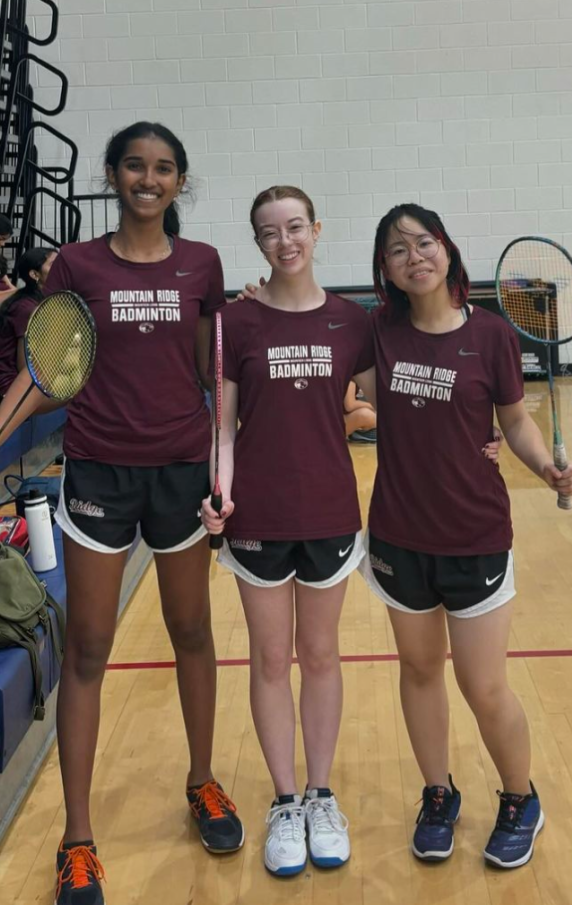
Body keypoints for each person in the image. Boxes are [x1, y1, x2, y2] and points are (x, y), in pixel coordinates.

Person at [0, 123, 244, 905]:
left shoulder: (201, 265)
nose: (148, 180)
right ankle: (76, 838)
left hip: (179, 473)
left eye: (163, 169)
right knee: (87, 645)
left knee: (192, 632)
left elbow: (212, 374)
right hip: (98, 474)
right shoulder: (76, 265)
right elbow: (49, 368)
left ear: (178, 181)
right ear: (113, 175)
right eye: (134, 167)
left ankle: (202, 781)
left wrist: (224, 468)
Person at [352, 204, 572, 871]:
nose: (412, 256)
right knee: (419, 672)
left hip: (475, 533)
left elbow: (512, 423)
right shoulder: (377, 333)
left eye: (422, 242)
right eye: (396, 249)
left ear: (446, 250)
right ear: (384, 270)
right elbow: (326, 362)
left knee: (483, 687)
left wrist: (546, 466)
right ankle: (437, 793)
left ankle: (518, 798)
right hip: (398, 536)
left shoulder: (490, 337)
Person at [201, 186, 372, 878]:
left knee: (322, 655)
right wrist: (219, 491)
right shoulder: (234, 323)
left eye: (295, 226)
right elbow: (223, 426)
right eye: (269, 232)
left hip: (330, 510)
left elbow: (386, 402)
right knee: (270, 660)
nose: (285, 241)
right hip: (260, 517)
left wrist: (477, 441)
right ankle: (283, 802)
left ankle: (320, 793)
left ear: (316, 230)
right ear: (257, 241)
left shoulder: (353, 323)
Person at [0, 248, 57, 413]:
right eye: (54, 265)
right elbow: (25, 368)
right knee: (82, 392)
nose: (61, 269)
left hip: (18, 385)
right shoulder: (26, 309)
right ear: (35, 275)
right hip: (3, 392)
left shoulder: (42, 303)